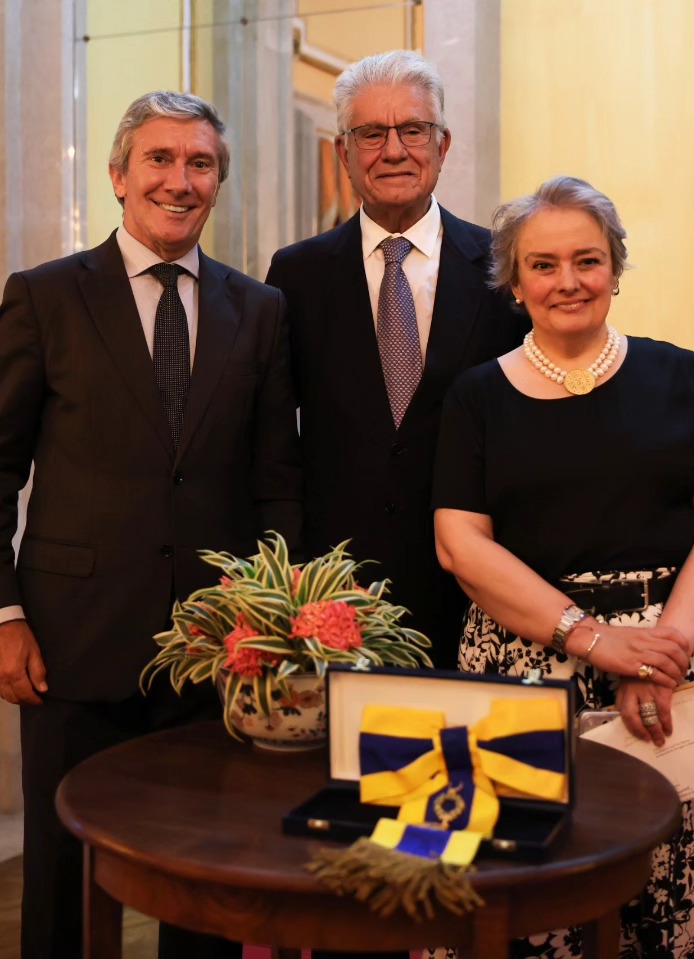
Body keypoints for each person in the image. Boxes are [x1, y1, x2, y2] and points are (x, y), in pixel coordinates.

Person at [0, 91, 300, 959]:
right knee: (63, 884)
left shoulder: (259, 310)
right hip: (73, 643)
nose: (179, 180)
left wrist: (275, 625)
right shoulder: (44, 298)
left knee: (206, 883)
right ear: (118, 175)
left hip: (217, 652)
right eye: (159, 159)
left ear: (217, 181)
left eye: (200, 163)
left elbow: (275, 485)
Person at [432, 176, 694, 958]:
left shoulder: (678, 373)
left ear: (614, 269)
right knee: (532, 899)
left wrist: (662, 653)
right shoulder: (475, 398)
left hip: (679, 667)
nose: (568, 280)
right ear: (514, 282)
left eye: (586, 260)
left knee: (685, 898)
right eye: (542, 264)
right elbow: (460, 544)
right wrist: (591, 638)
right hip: (527, 670)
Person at [265, 51, 526, 668]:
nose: (393, 150)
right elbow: (273, 445)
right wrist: (292, 577)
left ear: (442, 144)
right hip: (336, 601)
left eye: (412, 130)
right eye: (370, 134)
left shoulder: (504, 268)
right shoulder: (296, 275)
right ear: (342, 151)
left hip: (481, 597)